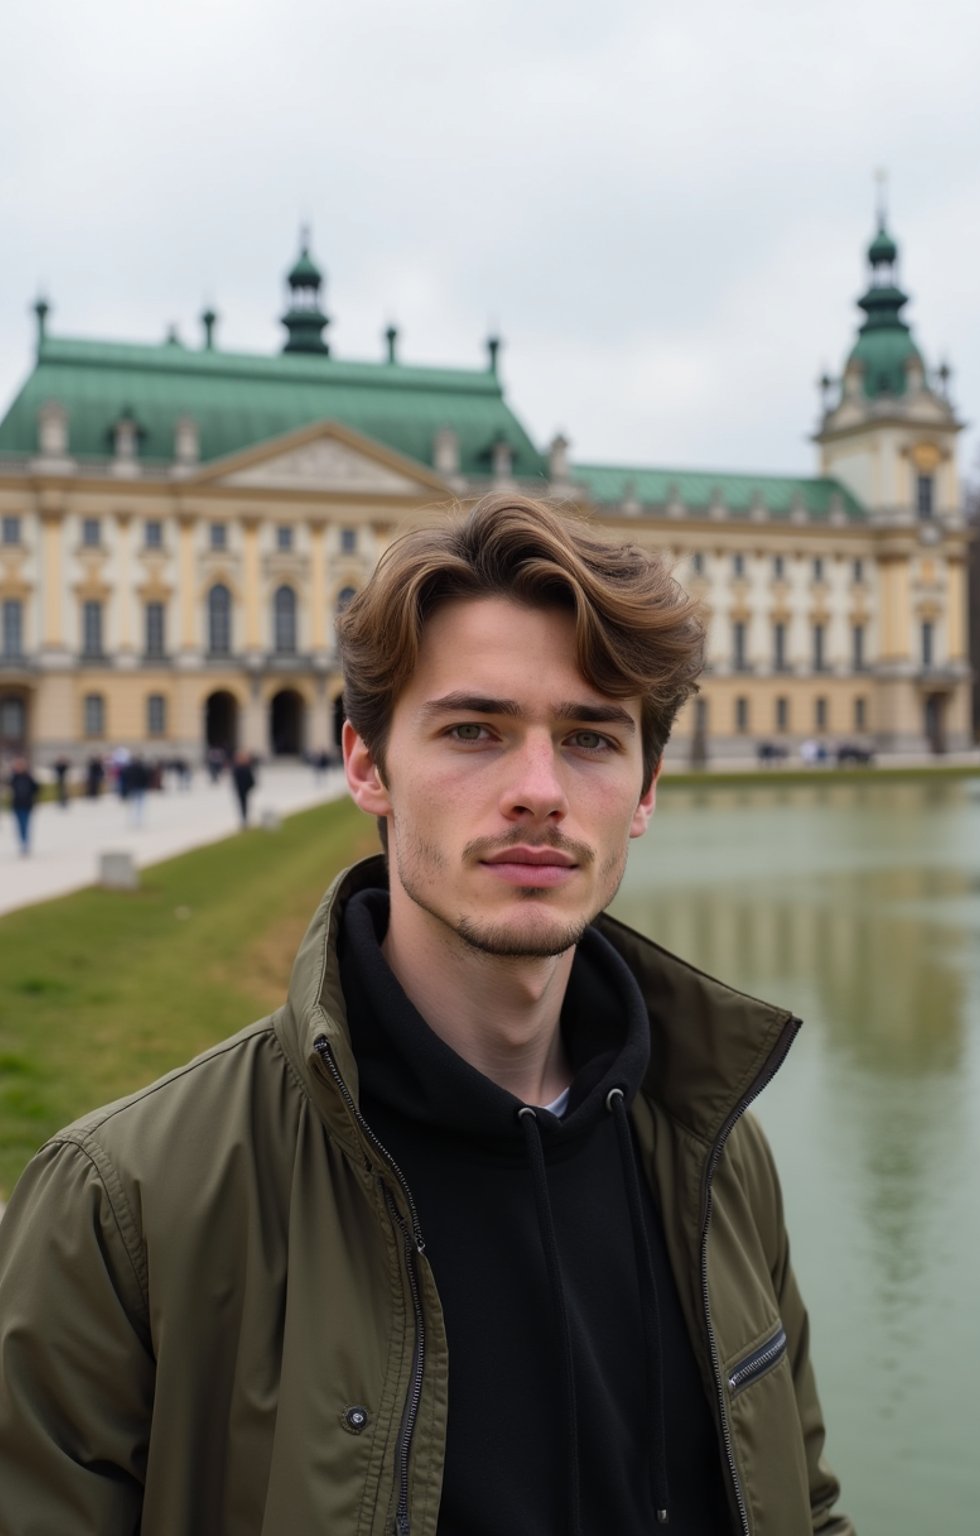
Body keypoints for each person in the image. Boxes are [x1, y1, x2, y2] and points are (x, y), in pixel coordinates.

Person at [0, 495, 854, 1535]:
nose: (537, 790)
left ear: (644, 789)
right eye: (472, 731)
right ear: (367, 765)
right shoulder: (122, 1207)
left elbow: (802, 1512)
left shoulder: (722, 1158)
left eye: (589, 737)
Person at [7, 756, 39, 856]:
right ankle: (22, 843)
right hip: (17, 805)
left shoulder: (28, 777)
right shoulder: (14, 778)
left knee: (25, 825)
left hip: (27, 805)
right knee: (19, 825)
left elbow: (36, 788)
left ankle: (25, 844)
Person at [231, 749, 256, 826]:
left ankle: (245, 818)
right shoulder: (238, 768)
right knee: (243, 804)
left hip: (244, 788)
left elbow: (250, 779)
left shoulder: (245, 767)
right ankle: (244, 819)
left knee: (244, 804)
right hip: (240, 789)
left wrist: (250, 786)